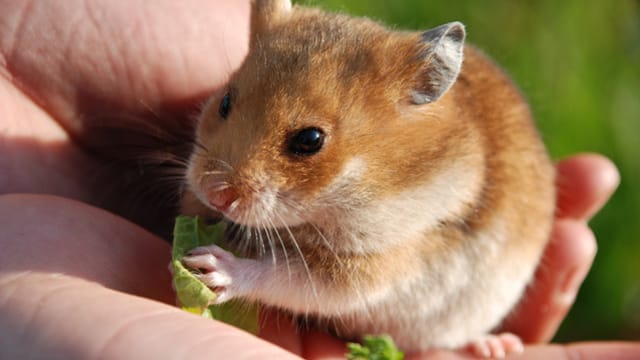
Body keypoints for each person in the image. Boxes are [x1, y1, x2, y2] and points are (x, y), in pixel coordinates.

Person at [0, 1, 636, 358]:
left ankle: (473, 341)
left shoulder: (407, 179)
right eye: (226, 107)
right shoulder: (275, 48)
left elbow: (361, 276)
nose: (223, 185)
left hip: (458, 285)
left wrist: (248, 276)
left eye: (304, 144)